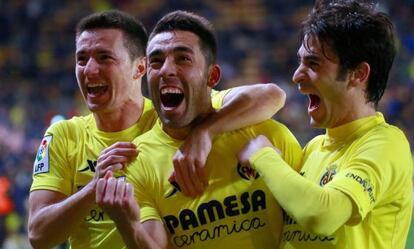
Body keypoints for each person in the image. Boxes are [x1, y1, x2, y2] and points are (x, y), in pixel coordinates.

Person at [27, 10, 287, 249]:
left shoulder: (173, 118)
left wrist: (203, 133)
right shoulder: (64, 135)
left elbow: (271, 95)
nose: (90, 69)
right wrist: (92, 189)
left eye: (105, 57)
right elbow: (39, 236)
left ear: (139, 67)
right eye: (81, 59)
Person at [95, 10, 302, 249]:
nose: (166, 70)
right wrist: (128, 225)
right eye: (156, 61)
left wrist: (204, 132)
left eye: (183, 58)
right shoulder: (137, 161)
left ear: (211, 76)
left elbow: (308, 225)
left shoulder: (265, 135)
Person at [237, 1, 413, 249]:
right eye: (300, 62)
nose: (297, 75)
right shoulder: (313, 149)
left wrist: (263, 155)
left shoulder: (385, 143)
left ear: (358, 74)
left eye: (313, 63)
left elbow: (322, 215)